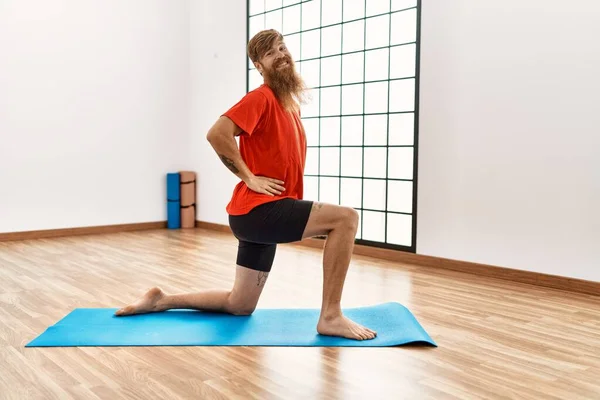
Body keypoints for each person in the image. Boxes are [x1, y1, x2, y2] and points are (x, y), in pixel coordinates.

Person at [115, 29, 376, 341]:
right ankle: (331, 316)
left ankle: (161, 300)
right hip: (260, 211)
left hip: (258, 216)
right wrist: (248, 177)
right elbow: (217, 133)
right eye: (270, 53)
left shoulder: (289, 106)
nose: (280, 54)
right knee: (346, 218)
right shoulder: (260, 98)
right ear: (259, 65)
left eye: (282, 47)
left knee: (239, 304)